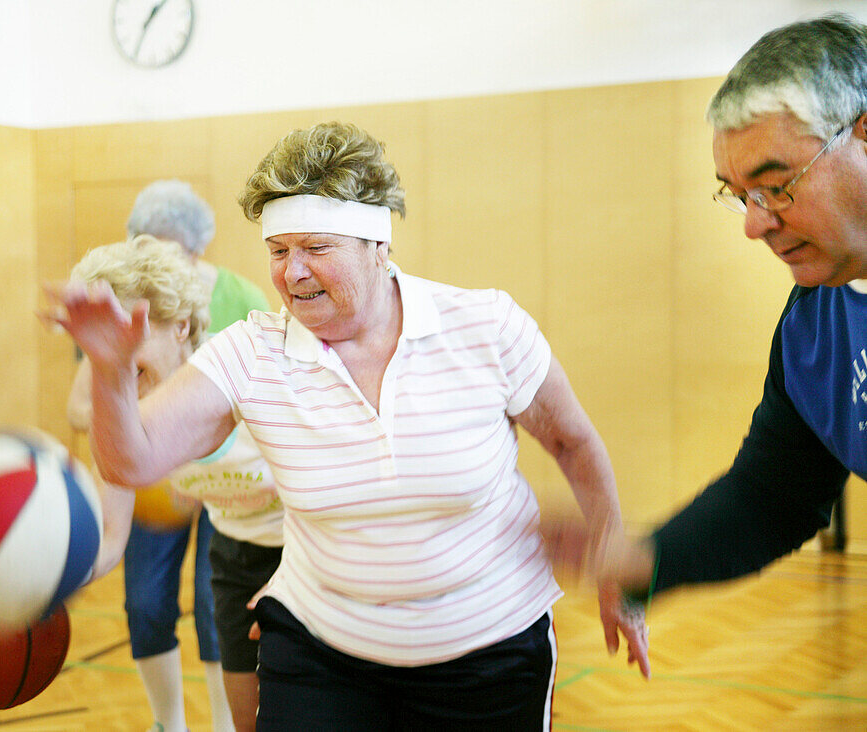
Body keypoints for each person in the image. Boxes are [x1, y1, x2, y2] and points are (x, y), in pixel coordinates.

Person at [46, 121, 645, 730]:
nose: (293, 273)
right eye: (278, 252)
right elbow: (132, 460)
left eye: (316, 249)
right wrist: (110, 370)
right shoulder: (253, 352)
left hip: (488, 650)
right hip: (322, 653)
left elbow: (574, 443)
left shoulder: (485, 326)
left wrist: (617, 566)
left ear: (378, 246)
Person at [545, 12, 867, 668]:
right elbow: (772, 493)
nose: (755, 225)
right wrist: (642, 559)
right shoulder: (813, 325)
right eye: (740, 194)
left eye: (777, 186)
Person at [70, 180, 269, 732]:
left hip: (303, 562)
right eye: (98, 344)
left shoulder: (248, 375)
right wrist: (52, 578)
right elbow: (110, 538)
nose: (112, 361)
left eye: (130, 335)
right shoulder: (118, 412)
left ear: (181, 325)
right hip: (240, 555)